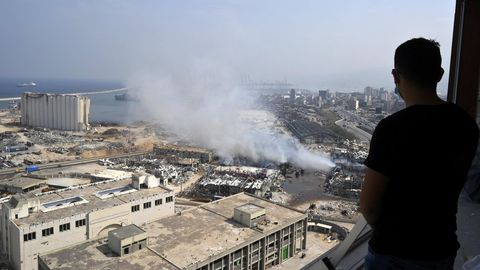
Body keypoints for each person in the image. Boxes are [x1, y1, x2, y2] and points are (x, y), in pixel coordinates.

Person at [360, 37, 479, 270]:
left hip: (392, 254)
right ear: (440, 74)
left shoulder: (391, 129)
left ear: (396, 76)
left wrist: (392, 233)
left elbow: (369, 206)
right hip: (440, 249)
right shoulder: (465, 123)